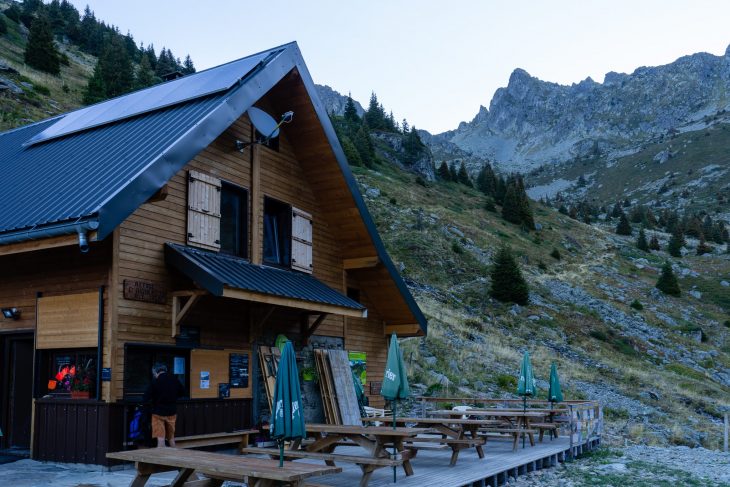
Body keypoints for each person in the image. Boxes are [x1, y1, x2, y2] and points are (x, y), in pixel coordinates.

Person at [143, 362, 185, 447]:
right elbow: (182, 393)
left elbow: (145, 397)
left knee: (160, 438)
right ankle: (174, 457)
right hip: (172, 412)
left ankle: (161, 458)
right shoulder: (175, 379)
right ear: (165, 370)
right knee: (171, 438)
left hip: (158, 413)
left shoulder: (155, 381)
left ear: (155, 372)